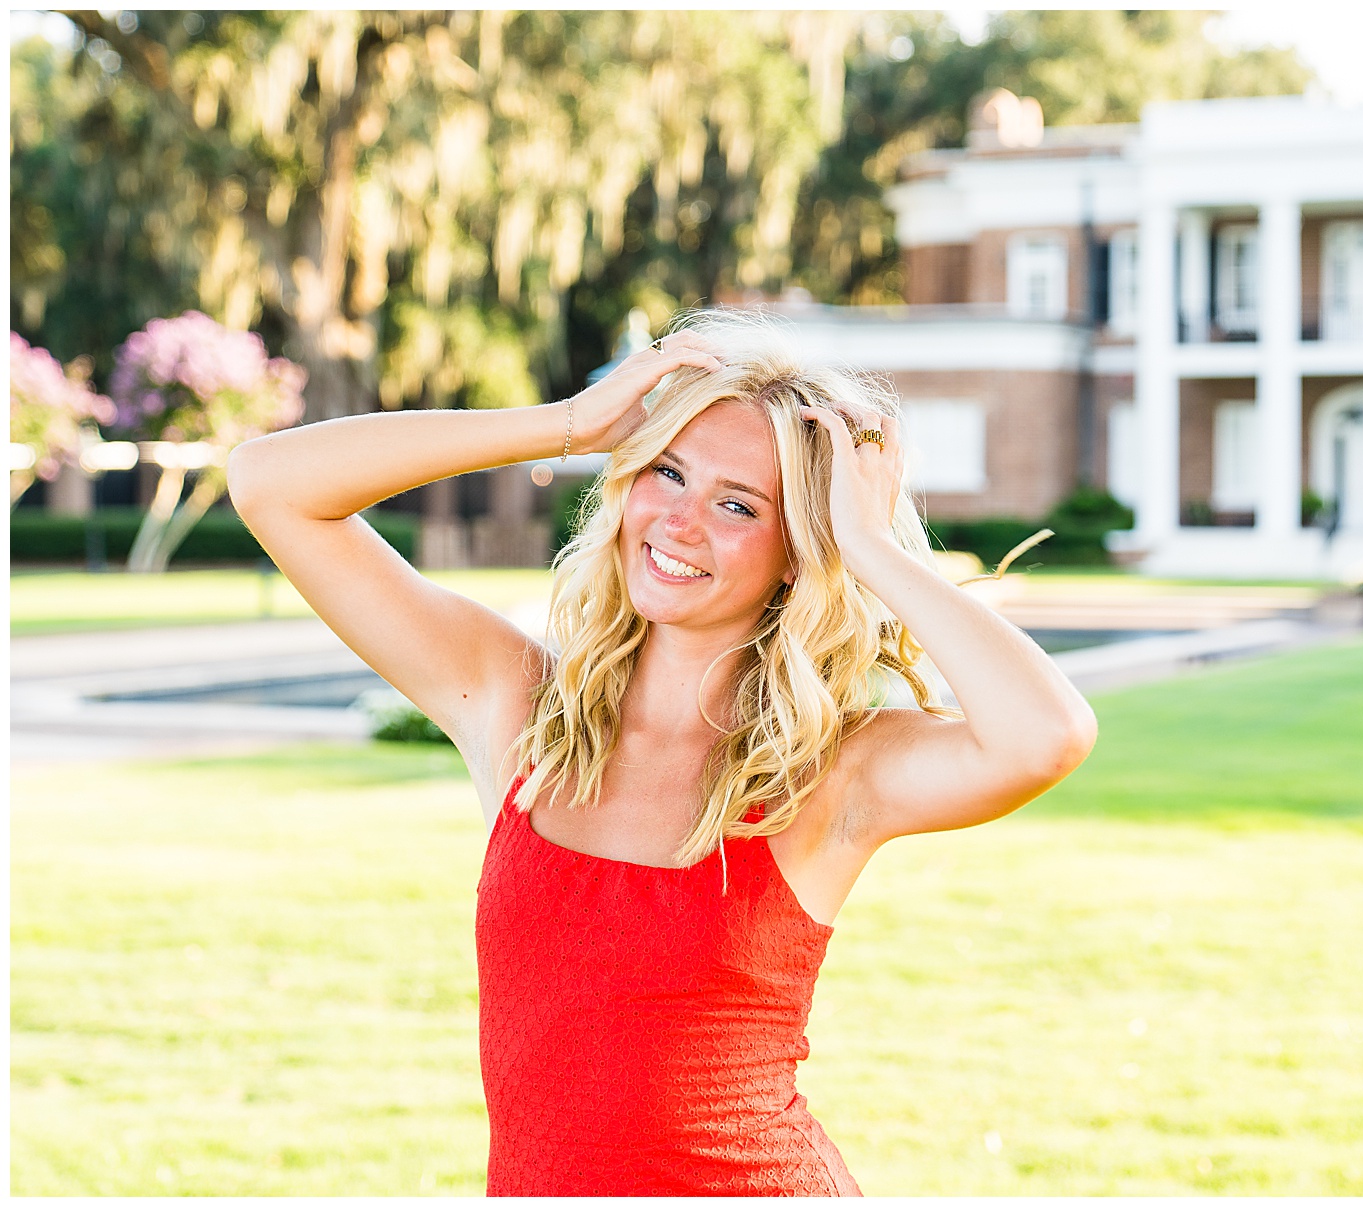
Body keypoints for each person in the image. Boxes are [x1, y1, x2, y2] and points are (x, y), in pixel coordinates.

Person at [226, 309, 1098, 1195]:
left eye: (736, 504)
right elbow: (269, 483)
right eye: (667, 472)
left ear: (798, 551)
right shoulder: (520, 708)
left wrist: (868, 544)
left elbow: (1048, 735)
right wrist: (568, 423)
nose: (679, 521)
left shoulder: (831, 772)